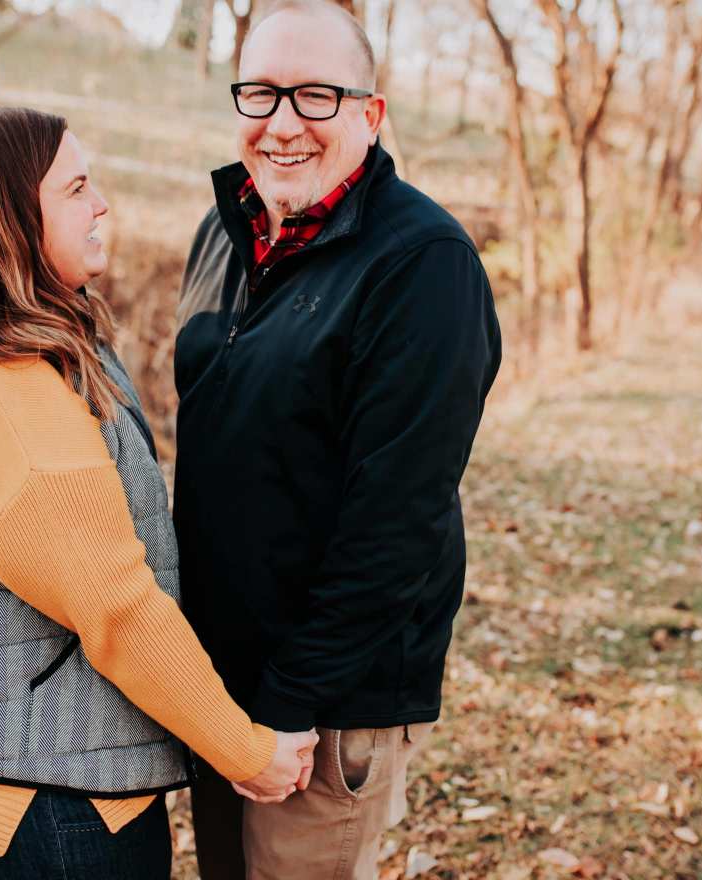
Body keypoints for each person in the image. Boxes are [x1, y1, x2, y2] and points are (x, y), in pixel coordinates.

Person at [0, 106, 316, 880]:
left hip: (2, 753)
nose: (101, 207)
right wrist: (247, 752)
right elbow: (116, 607)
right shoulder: (1, 398)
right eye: (78, 188)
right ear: (4, 217)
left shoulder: (2, 336)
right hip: (35, 796)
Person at [173, 1, 502, 877]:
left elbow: (396, 519)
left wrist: (289, 707)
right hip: (219, 688)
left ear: (371, 113)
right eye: (262, 94)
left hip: (324, 707)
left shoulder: (423, 265)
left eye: (317, 96)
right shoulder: (223, 231)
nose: (284, 124)